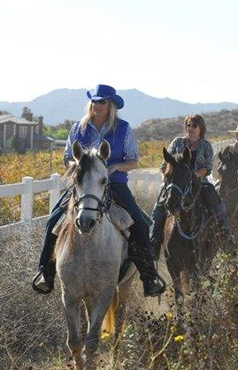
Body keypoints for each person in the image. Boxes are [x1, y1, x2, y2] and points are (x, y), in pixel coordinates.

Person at [33, 84, 166, 297]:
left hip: (115, 185)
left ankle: (148, 277)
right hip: (84, 186)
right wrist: (80, 168)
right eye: (94, 101)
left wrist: (113, 167)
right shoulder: (78, 128)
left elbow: (132, 160)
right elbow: (68, 157)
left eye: (102, 101)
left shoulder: (123, 128)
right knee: (53, 220)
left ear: (110, 105)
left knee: (140, 225)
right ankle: (45, 274)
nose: (97, 105)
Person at [150, 114, 231, 261]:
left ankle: (226, 239)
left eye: (194, 126)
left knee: (217, 206)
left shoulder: (205, 145)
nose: (191, 128)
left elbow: (207, 168)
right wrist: (167, 179)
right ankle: (154, 245)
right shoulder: (177, 142)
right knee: (158, 210)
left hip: (199, 182)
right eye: (188, 125)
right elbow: (164, 165)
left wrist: (191, 176)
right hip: (175, 183)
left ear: (201, 128)